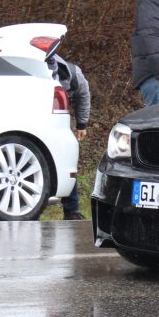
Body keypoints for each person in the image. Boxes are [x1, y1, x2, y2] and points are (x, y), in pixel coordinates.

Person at [48, 53, 90, 220]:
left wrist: (82, 124)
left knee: (66, 162)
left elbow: (83, 95)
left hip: (58, 121)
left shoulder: (73, 73)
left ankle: (71, 210)